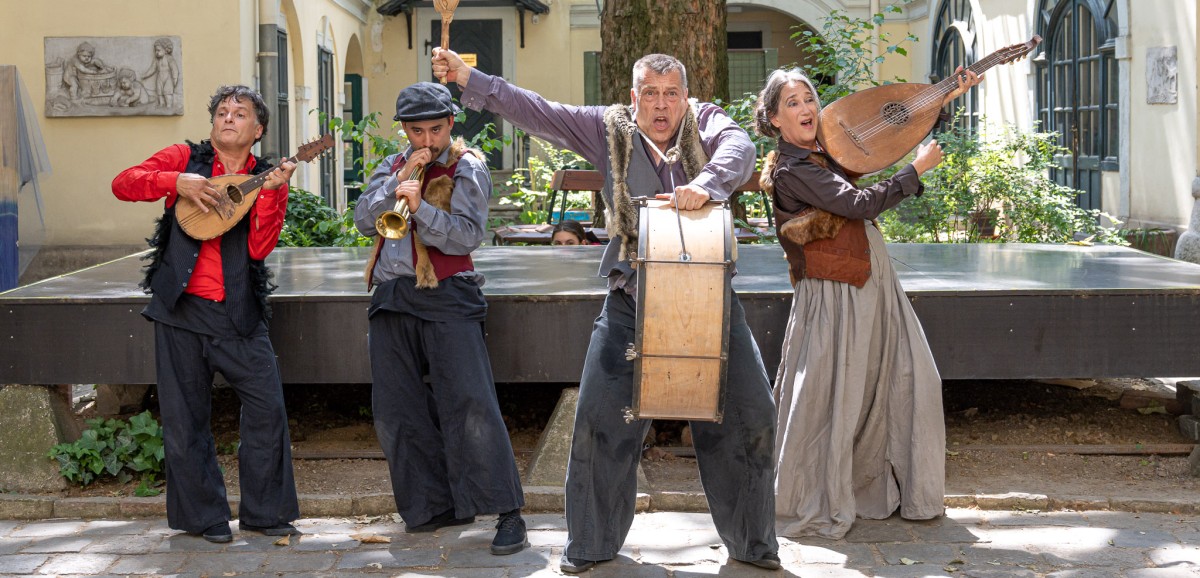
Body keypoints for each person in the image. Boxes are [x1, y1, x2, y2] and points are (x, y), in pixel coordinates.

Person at [433, 50, 781, 572]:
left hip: (710, 298)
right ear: (633, 96)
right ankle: (591, 546)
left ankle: (755, 547)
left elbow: (742, 148)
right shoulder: (607, 128)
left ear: (685, 97)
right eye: (650, 93)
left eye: (671, 94)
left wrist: (704, 185)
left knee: (751, 415)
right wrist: (469, 79)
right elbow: (536, 109)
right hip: (631, 299)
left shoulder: (707, 123)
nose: (660, 105)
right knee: (598, 422)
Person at [753, 66, 980, 539]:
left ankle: (880, 486)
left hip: (866, 283)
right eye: (791, 103)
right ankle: (819, 491)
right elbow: (859, 205)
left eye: (809, 99)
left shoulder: (824, 152)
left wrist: (940, 99)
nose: (806, 109)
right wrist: (914, 172)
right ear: (774, 118)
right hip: (837, 294)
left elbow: (879, 144)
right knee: (837, 396)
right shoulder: (794, 170)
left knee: (898, 380)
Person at [111, 84, 300, 543]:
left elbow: (259, 247)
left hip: (237, 312)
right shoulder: (184, 157)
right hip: (180, 310)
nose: (228, 117)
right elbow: (124, 183)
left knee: (267, 409)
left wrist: (275, 194)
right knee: (184, 418)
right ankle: (203, 517)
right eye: (221, 111)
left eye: (240, 112)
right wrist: (175, 182)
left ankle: (265, 512)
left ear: (258, 130)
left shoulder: (264, 176)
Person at [353, 81, 528, 556]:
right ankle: (434, 506)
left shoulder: (467, 165)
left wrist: (422, 208)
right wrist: (396, 186)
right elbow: (362, 219)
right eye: (416, 131)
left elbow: (467, 235)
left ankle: (508, 512)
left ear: (451, 124)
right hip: (392, 294)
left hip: (448, 293)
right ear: (404, 130)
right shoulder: (391, 165)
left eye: (435, 129)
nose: (426, 141)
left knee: (470, 404)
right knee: (397, 408)